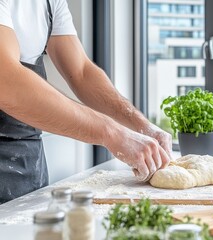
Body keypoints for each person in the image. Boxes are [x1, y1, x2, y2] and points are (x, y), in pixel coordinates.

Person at [0, 0, 172, 203]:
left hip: (28, 162)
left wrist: (142, 126)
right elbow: (7, 83)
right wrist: (112, 133)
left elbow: (81, 72)